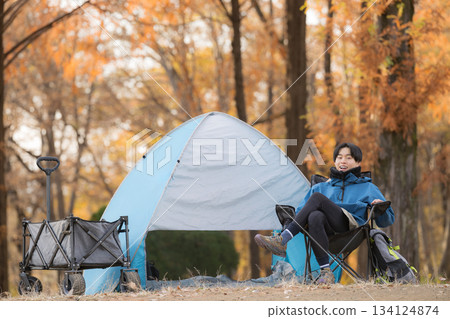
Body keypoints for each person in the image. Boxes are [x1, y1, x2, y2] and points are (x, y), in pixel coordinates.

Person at [254, 142, 394, 284]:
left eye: (348, 158)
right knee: (315, 216)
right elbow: (300, 213)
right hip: (322, 232)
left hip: (352, 229)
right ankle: (326, 272)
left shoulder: (368, 187)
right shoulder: (322, 187)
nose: (343, 161)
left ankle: (283, 239)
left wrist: (380, 208)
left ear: (358, 162)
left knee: (317, 198)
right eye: (339, 157)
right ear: (335, 161)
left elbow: (387, 221)